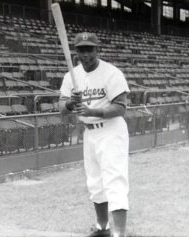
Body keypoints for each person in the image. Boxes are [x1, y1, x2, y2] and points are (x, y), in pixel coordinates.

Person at [59, 32, 130, 237]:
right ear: (76, 52)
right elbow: (62, 109)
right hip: (90, 133)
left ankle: (119, 234)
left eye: (90, 49)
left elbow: (121, 108)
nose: (86, 54)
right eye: (81, 49)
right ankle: (102, 228)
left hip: (111, 130)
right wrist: (72, 102)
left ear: (97, 50)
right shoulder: (71, 76)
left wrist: (93, 111)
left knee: (114, 180)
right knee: (95, 182)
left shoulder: (111, 73)